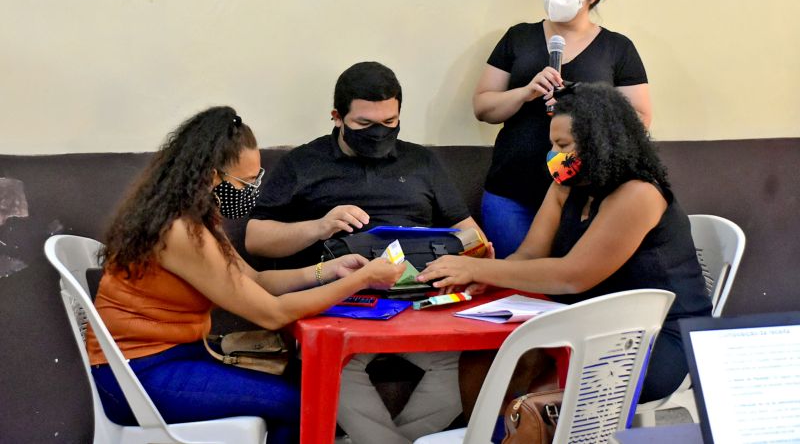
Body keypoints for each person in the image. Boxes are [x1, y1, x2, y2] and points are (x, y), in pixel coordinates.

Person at [86, 106, 405, 444]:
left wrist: (329, 270)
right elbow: (271, 313)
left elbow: (257, 281)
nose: (253, 190)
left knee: (295, 396)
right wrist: (360, 280)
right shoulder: (178, 230)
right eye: (246, 182)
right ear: (211, 176)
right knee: (299, 405)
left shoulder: (195, 219)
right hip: (136, 375)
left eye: (257, 179)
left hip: (172, 358)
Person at [418, 83, 712, 404]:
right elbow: (529, 254)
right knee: (484, 359)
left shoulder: (638, 194)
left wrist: (477, 267)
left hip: (655, 337)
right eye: (553, 145)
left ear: (600, 144)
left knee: (538, 400)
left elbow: (572, 276)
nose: (556, 155)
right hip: (588, 323)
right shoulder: (567, 186)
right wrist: (485, 278)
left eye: (563, 144)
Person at [245, 61, 485, 444]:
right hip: (337, 303)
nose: (378, 133)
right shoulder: (303, 163)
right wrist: (321, 226)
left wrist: (466, 259)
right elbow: (256, 238)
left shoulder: (421, 161)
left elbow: (471, 235)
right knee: (332, 367)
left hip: (417, 301)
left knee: (469, 365)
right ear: (337, 117)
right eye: (363, 124)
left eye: (389, 122)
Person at [474, 0, 652, 258]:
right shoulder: (518, 37)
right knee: (516, 285)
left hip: (583, 195)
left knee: (568, 288)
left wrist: (582, 102)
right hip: (512, 193)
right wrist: (525, 91)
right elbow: (483, 106)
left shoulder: (617, 48)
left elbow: (639, 119)